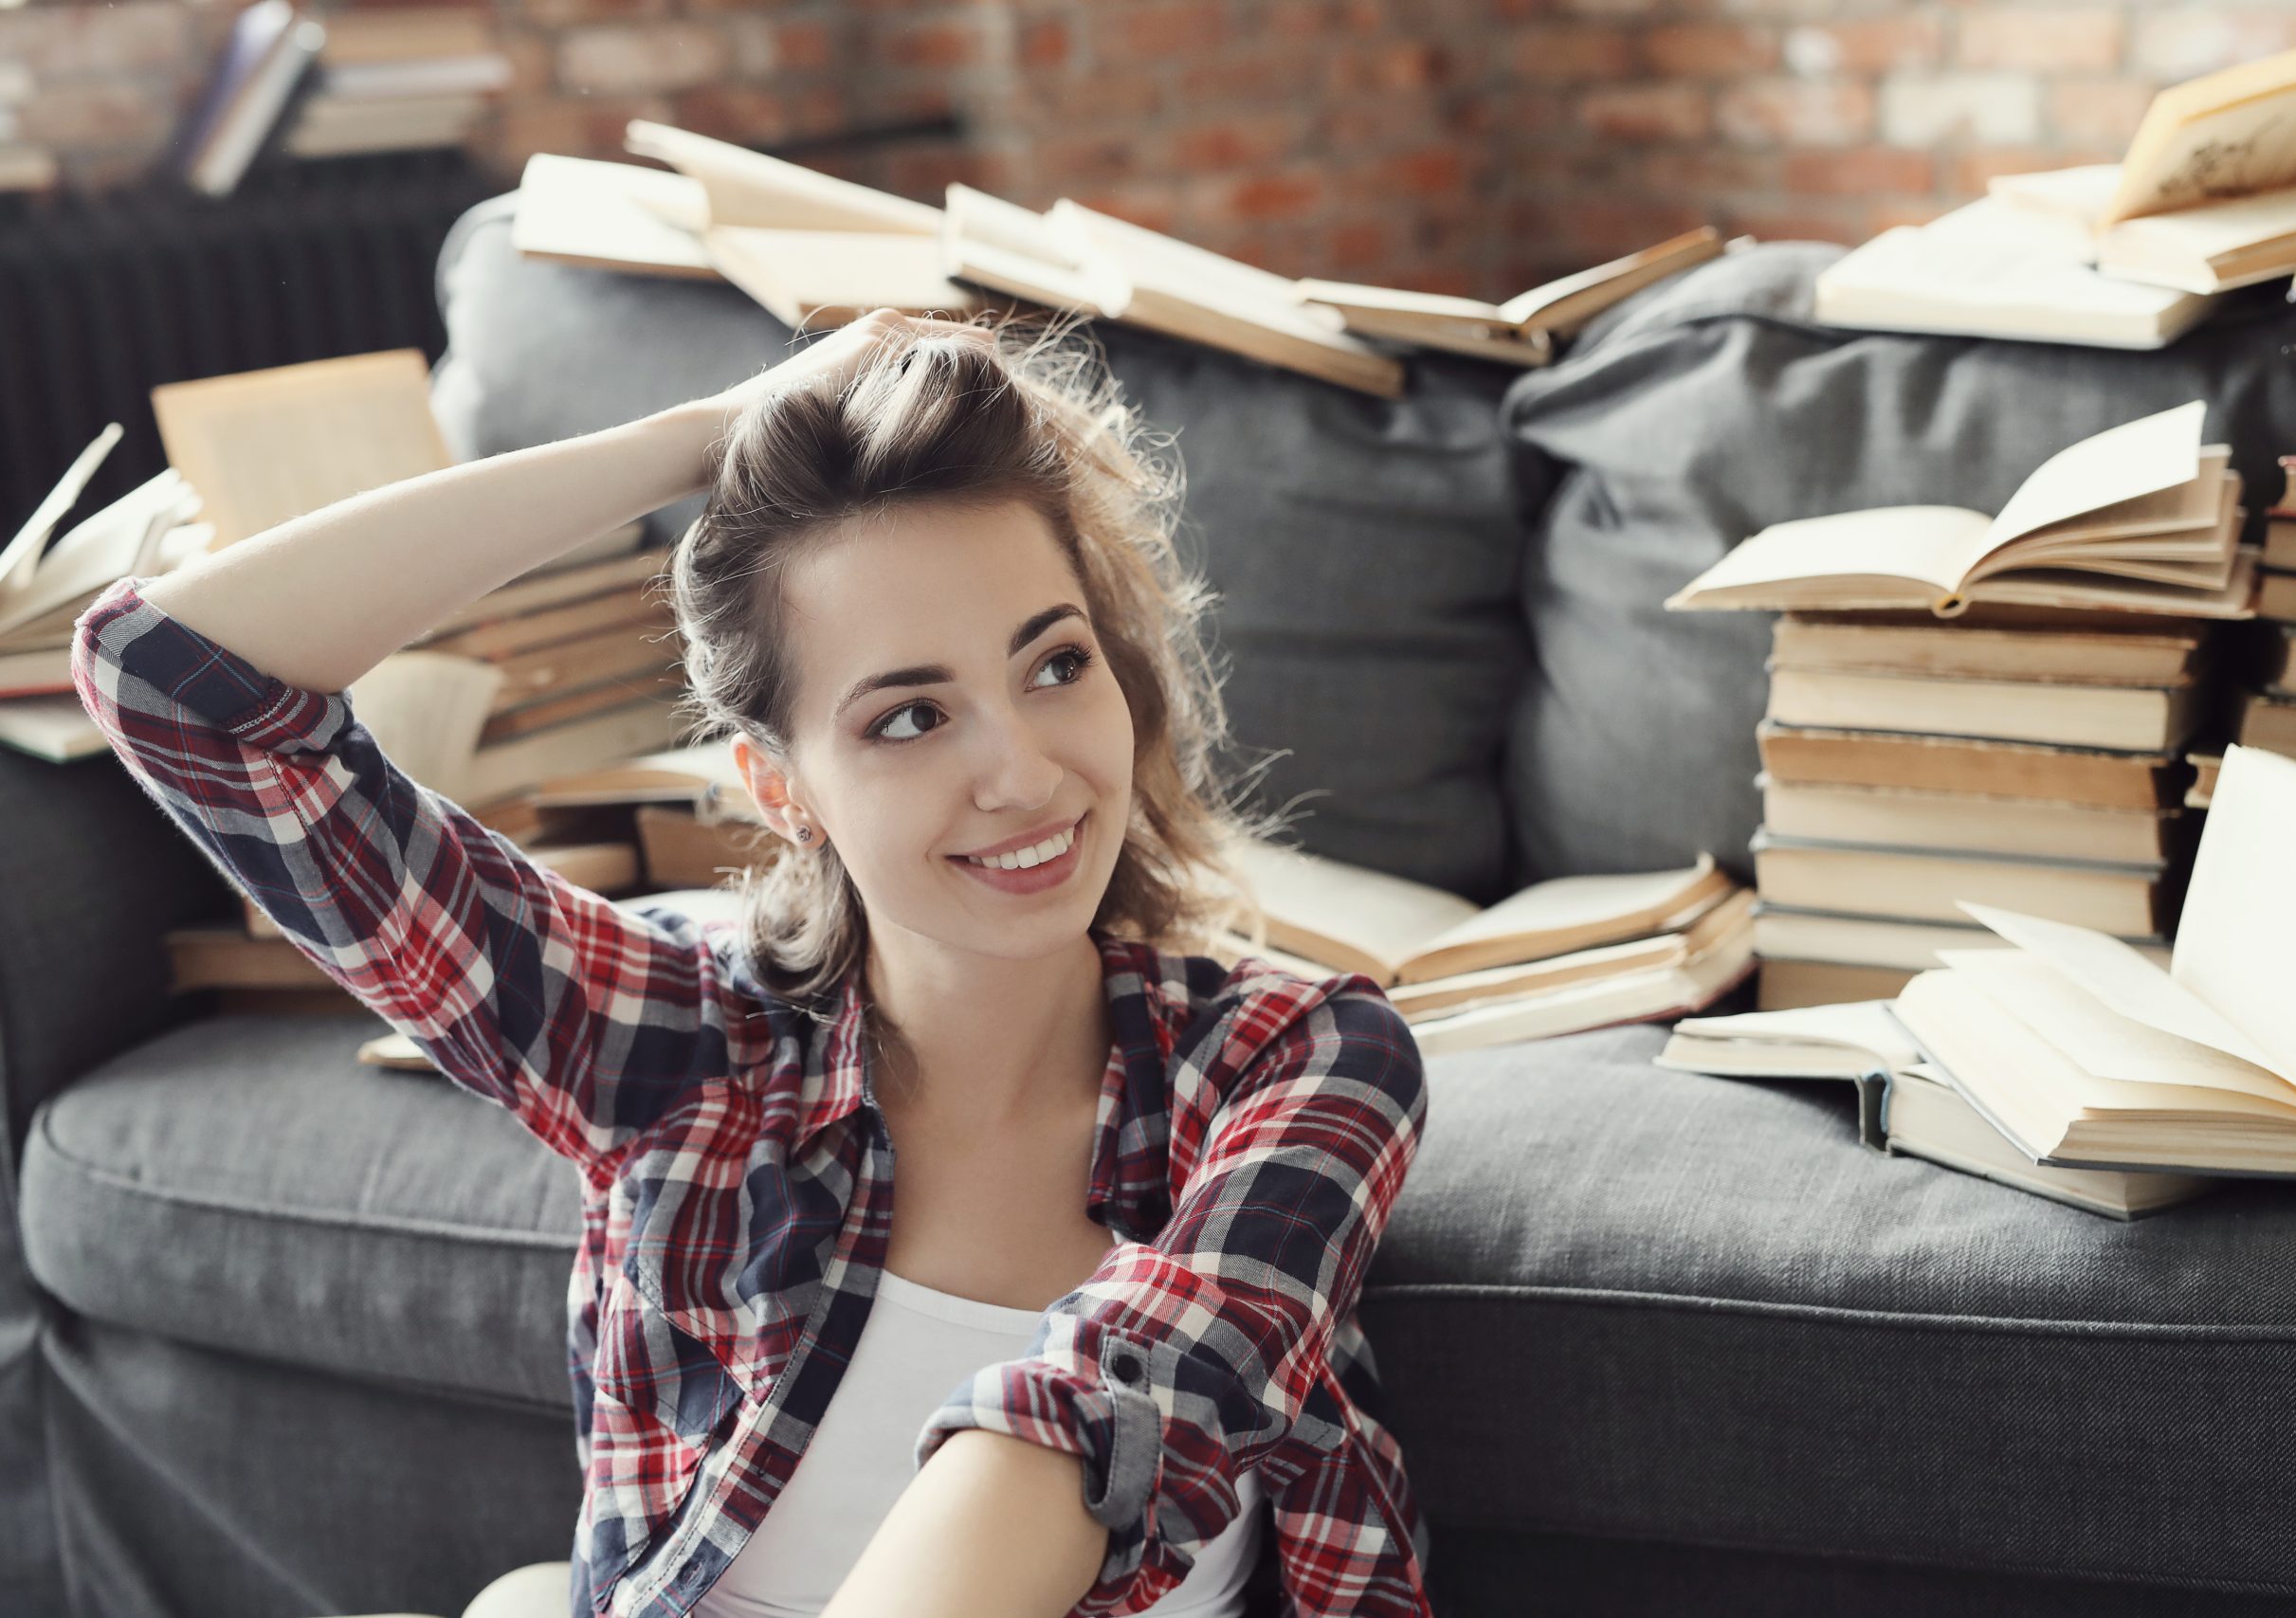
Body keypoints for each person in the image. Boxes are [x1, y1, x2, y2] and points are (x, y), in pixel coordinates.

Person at [69, 309, 1435, 1618]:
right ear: (779, 787)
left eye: (1054, 664)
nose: (1023, 771)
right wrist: (699, 435)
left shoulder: (1303, 1062)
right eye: (908, 716)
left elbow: (1085, 1432)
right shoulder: (678, 1040)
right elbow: (176, 680)